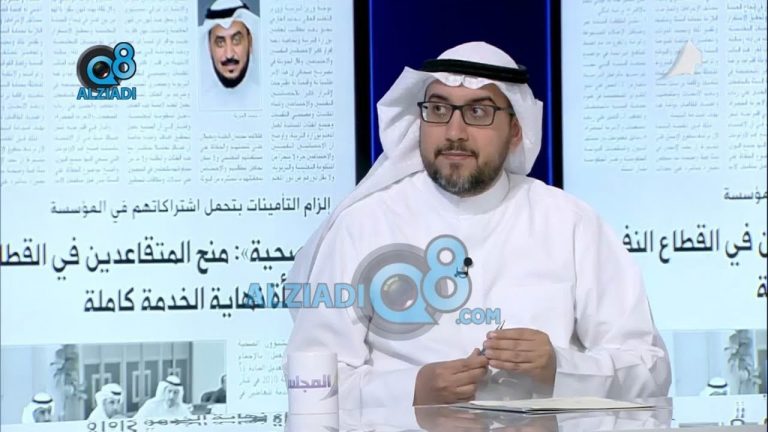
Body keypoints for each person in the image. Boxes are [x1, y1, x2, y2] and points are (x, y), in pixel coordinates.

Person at [285, 41, 671, 408]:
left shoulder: (570, 224)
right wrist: (412, 390)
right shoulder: (364, 225)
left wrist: (561, 369)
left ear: (515, 130)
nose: (454, 132)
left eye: (478, 113)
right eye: (439, 110)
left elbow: (650, 368)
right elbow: (310, 380)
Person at [199, 0, 260, 110]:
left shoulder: (265, 99)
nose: (229, 54)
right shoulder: (200, 103)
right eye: (220, 43)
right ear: (209, 47)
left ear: (250, 42)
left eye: (236, 40)